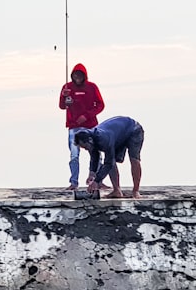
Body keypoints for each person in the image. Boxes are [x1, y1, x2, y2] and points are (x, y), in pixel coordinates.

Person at [58, 63, 105, 191]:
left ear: (84, 76)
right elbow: (62, 106)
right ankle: (74, 182)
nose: (77, 77)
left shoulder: (92, 87)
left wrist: (87, 115)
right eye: (75, 75)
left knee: (95, 152)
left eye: (80, 75)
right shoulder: (67, 87)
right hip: (74, 126)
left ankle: (98, 180)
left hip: (91, 126)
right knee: (74, 155)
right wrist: (63, 96)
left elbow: (100, 105)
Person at [73, 116, 144, 199]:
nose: (85, 149)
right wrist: (92, 174)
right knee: (112, 161)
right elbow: (94, 157)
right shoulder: (91, 140)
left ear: (90, 141)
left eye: (85, 147)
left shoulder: (104, 138)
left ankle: (136, 191)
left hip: (133, 129)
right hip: (118, 134)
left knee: (134, 159)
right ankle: (117, 190)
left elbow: (108, 163)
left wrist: (97, 181)